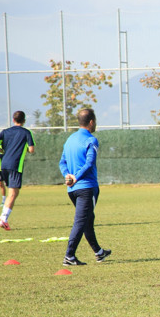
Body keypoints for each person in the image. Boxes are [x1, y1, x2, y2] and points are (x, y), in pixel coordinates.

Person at [58, 108, 111, 266]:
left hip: (72, 189)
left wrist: (67, 175)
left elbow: (62, 162)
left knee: (88, 219)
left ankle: (99, 252)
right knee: (81, 221)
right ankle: (69, 256)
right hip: (86, 188)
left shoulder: (70, 139)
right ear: (91, 122)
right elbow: (89, 163)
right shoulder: (91, 140)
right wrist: (77, 177)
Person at [0, 110, 35, 229]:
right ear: (24, 120)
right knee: (13, 193)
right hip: (15, 165)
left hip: (4, 165)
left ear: (13, 120)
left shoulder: (5, 131)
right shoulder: (26, 132)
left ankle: (3, 216)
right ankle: (3, 218)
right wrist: (24, 148)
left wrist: (1, 151)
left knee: (13, 192)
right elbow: (31, 150)